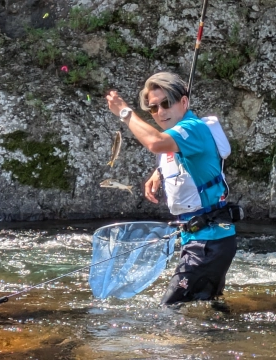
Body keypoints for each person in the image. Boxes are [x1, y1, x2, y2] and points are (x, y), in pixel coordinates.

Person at [105, 71, 237, 305]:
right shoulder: (180, 135)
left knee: (167, 311)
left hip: (209, 242)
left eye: (166, 103)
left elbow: (155, 143)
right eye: (153, 108)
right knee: (207, 306)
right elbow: (184, 157)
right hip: (204, 240)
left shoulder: (192, 129)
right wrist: (159, 172)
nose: (160, 112)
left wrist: (125, 113)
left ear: (184, 102)